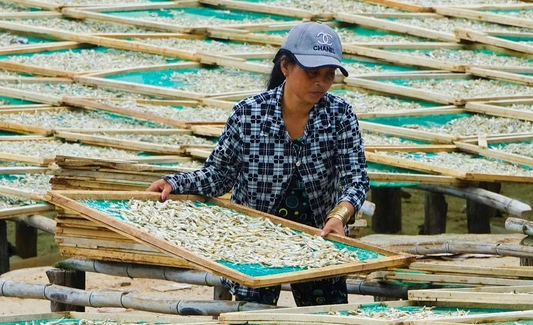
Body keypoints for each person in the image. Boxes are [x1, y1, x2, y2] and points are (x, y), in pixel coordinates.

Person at [147, 21, 370, 306]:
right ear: (286, 66)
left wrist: (339, 216)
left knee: (326, 321)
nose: (320, 83)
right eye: (312, 73)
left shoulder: (341, 116)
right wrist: (175, 183)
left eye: (328, 76)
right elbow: (219, 176)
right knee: (251, 321)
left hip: (319, 240)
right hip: (253, 242)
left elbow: (356, 178)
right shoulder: (249, 114)